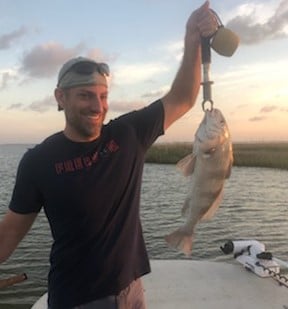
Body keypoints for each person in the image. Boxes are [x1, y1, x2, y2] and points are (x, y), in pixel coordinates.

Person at [0, 1, 218, 308]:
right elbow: (7, 237)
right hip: (77, 299)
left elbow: (183, 97)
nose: (97, 106)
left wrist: (192, 38)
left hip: (131, 291)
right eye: (85, 96)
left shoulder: (128, 134)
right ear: (60, 98)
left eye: (103, 96)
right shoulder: (38, 162)